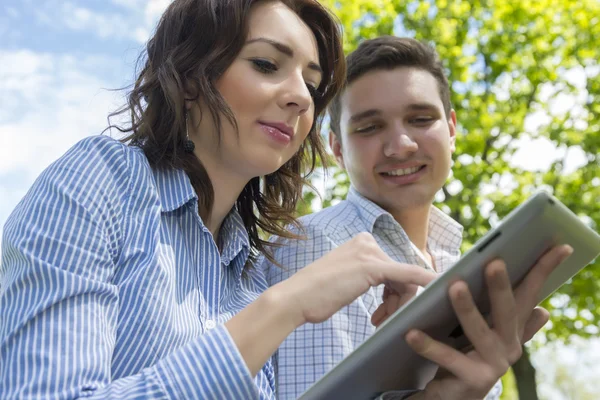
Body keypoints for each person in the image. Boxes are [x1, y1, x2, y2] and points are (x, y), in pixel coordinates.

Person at [0, 2, 449, 399]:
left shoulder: (249, 268)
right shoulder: (101, 181)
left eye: (311, 86)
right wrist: (286, 305)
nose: (299, 98)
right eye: (266, 64)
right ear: (192, 75)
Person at [263, 36, 573, 400]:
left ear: (452, 130)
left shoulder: (453, 263)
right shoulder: (315, 245)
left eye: (421, 119)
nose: (401, 146)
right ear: (337, 149)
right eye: (369, 127)